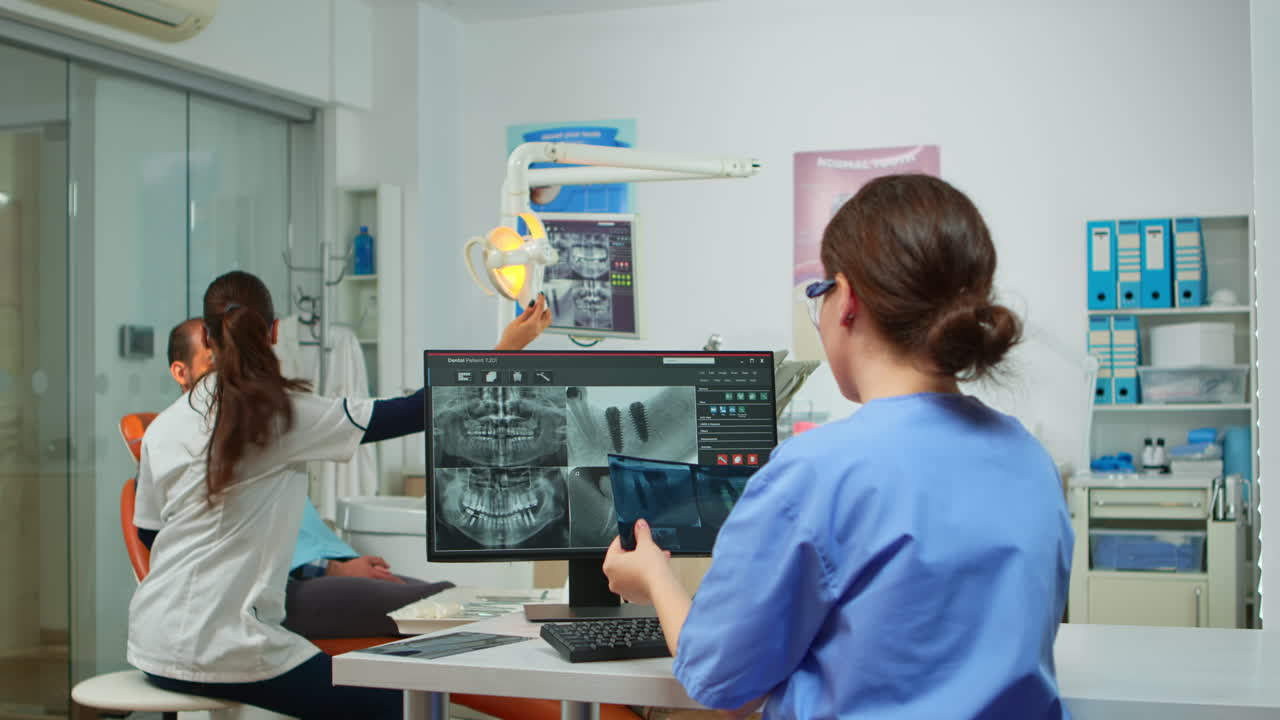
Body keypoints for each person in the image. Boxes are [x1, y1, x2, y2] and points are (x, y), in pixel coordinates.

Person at [603, 174, 1073, 720]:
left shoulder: (815, 472)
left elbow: (726, 683)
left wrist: (656, 579)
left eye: (819, 294)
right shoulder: (1028, 460)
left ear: (845, 300)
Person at [131, 272, 550, 718]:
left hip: (151, 640)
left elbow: (150, 536)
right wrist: (505, 352)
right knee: (403, 708)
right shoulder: (283, 416)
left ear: (209, 337)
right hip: (228, 649)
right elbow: (414, 410)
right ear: (274, 332)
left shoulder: (164, 427)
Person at [166, 318, 455, 638]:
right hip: (283, 587)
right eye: (213, 363)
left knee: (449, 601)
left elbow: (403, 413)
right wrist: (334, 569)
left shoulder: (266, 422)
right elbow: (218, 552)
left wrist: (342, 563)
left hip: (324, 569)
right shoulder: (176, 445)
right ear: (181, 372)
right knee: (443, 605)